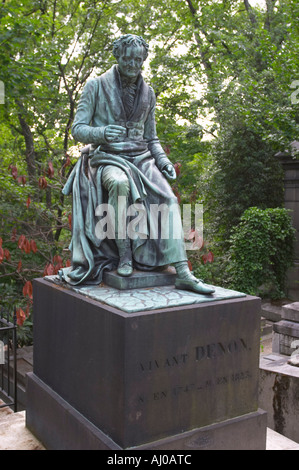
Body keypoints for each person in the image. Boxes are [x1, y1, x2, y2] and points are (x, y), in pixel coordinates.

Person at [60, 34, 214, 295]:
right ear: (117, 56)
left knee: (169, 200)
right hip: (108, 158)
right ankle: (125, 254)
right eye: (127, 58)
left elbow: (151, 137)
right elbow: (78, 129)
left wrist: (163, 161)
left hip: (142, 158)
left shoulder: (149, 93)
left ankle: (183, 271)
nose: (132, 63)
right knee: (119, 185)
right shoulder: (95, 86)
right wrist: (100, 133)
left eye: (137, 59)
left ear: (143, 59)